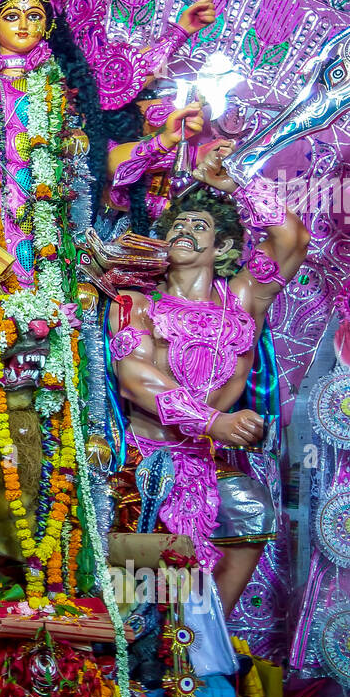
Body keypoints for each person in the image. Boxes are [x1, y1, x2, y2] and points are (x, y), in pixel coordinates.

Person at [107, 149, 309, 614]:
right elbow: (135, 378)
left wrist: (233, 182)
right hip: (143, 458)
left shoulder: (243, 299)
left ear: (221, 248)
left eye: (200, 226)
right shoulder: (138, 303)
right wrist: (213, 420)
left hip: (205, 462)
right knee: (136, 570)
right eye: (177, 225)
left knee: (251, 507)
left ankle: (202, 638)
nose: (184, 230)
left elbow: (293, 239)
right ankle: (140, 645)